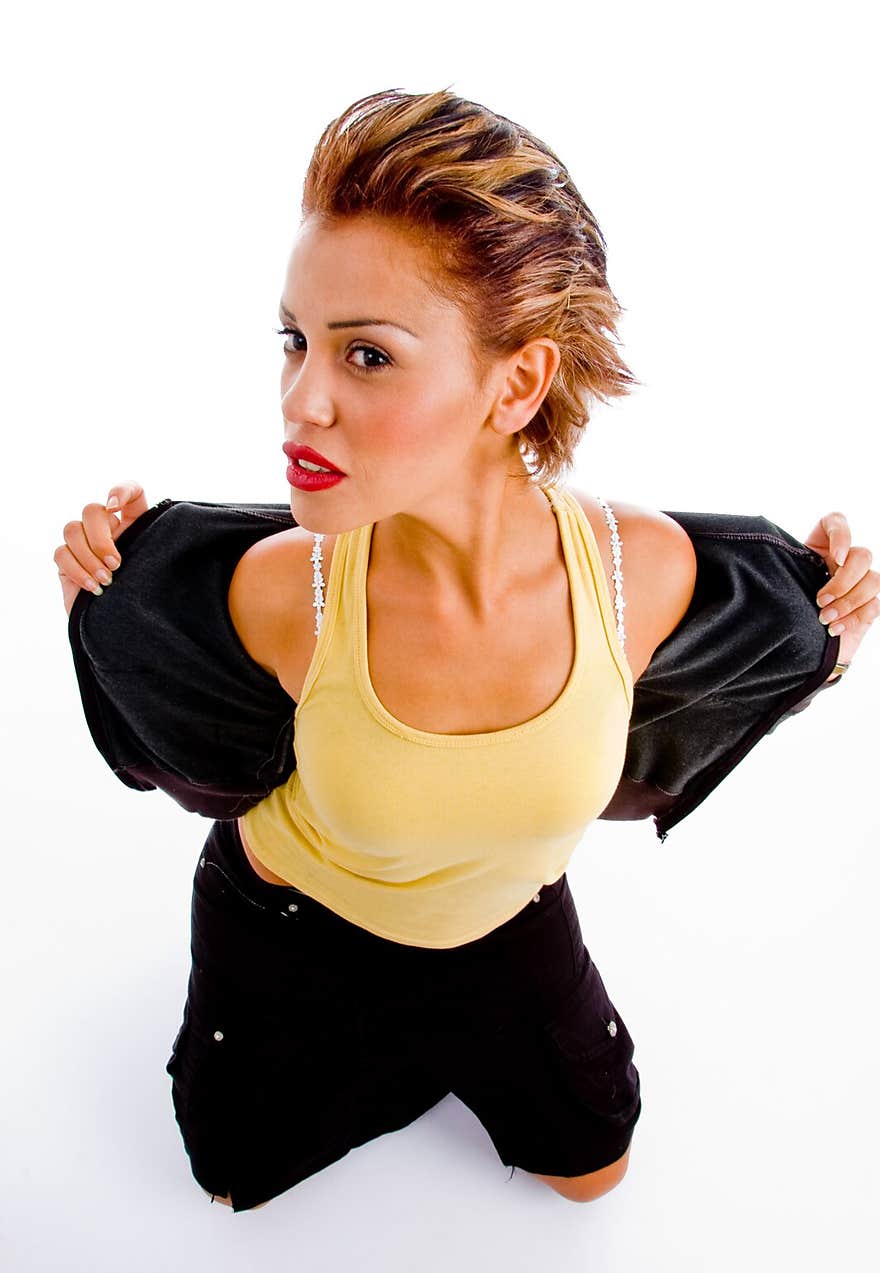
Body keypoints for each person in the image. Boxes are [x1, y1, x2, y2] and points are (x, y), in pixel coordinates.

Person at [55, 88, 879, 1213]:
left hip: (504, 921)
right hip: (289, 923)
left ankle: (430, 1039)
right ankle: (388, 1043)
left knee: (594, 1174)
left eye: (368, 357)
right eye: (295, 342)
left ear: (519, 383)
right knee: (229, 1177)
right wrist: (99, 592)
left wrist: (836, 623)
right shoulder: (282, 593)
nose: (302, 401)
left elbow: (768, 651)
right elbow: (143, 670)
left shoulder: (641, 580)